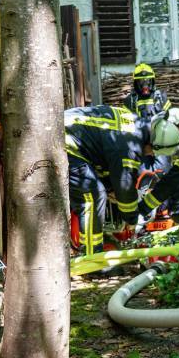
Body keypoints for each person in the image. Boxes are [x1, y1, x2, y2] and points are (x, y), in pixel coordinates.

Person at [64, 105, 148, 255]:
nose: (150, 155)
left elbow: (105, 160)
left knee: (98, 191)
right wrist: (131, 220)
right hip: (66, 140)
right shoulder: (129, 147)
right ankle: (91, 257)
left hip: (69, 133)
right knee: (93, 196)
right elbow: (125, 185)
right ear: (152, 143)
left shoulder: (134, 127)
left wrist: (110, 189)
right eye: (152, 152)